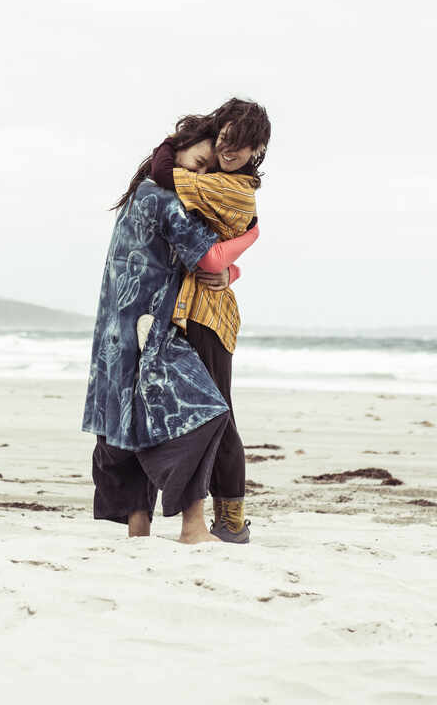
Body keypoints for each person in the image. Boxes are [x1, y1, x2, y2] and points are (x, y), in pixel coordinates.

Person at [82, 107, 261, 543]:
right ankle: (194, 526)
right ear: (179, 155)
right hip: (152, 324)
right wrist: (253, 234)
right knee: (204, 413)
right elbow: (211, 260)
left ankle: (137, 521)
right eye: (196, 164)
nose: (196, 174)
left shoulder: (137, 195)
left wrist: (229, 273)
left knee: (124, 416)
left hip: (114, 326)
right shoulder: (166, 201)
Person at [145, 99, 270, 542]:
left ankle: (231, 520)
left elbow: (162, 174)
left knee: (220, 414)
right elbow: (222, 245)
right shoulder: (220, 182)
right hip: (193, 305)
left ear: (257, 148)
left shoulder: (231, 187)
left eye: (238, 145)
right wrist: (229, 266)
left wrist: (172, 140)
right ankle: (217, 517)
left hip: (208, 314)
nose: (227, 151)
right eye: (223, 140)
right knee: (211, 411)